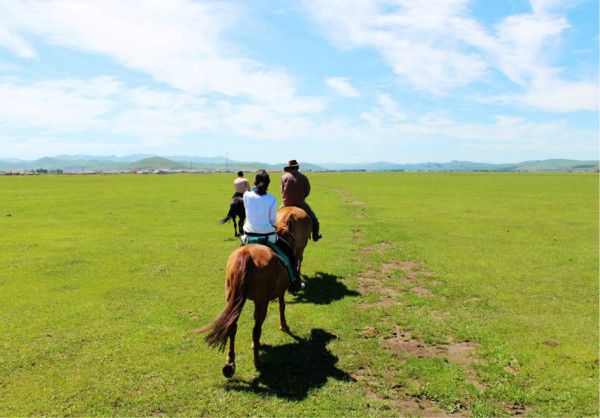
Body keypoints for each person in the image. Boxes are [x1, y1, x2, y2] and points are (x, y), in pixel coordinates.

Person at [242, 169, 304, 293]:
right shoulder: (272, 199)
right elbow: (271, 221)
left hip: (248, 235)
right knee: (289, 255)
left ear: (254, 182)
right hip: (267, 237)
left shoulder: (246, 195)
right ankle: (294, 283)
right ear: (268, 184)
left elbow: (248, 214)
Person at [280, 160, 322, 241]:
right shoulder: (303, 177)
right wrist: (301, 197)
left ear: (289, 168)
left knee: (276, 217)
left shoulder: (283, 177)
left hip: (286, 203)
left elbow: (282, 191)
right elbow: (307, 191)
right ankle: (315, 235)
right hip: (300, 203)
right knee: (314, 219)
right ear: (297, 167)